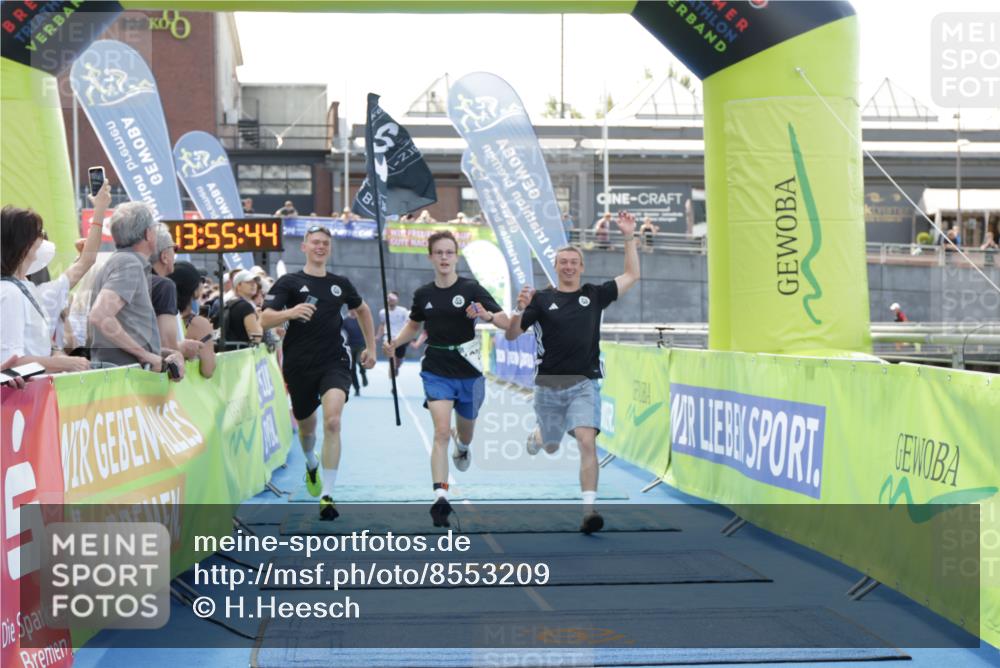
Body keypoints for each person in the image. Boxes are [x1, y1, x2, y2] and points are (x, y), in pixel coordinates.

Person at [506, 210, 641, 534]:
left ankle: (589, 510)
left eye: (573, 262)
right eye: (562, 262)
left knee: (586, 441)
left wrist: (627, 236)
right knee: (552, 444)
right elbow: (512, 334)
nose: (568, 266)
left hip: (584, 383)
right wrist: (519, 309)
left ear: (581, 267)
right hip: (549, 386)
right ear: (555, 266)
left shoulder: (593, 295)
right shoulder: (540, 299)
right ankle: (539, 436)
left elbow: (631, 275)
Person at [383, 231, 510, 527]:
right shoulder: (423, 294)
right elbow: (413, 327)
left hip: (469, 369)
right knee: (441, 431)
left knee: (464, 433)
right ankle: (440, 496)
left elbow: (505, 320)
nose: (443, 257)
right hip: (436, 368)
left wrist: (486, 315)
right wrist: (394, 343)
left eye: (449, 252)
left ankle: (462, 446)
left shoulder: (471, 288)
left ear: (456, 256)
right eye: (438, 252)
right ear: (430, 257)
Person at [261, 225, 377, 520]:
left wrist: (370, 348)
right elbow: (263, 319)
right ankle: (311, 462)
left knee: (334, 421)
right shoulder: (289, 282)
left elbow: (362, 310)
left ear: (329, 248)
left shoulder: (340, 283)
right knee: (307, 429)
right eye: (315, 242)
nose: (320, 247)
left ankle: (327, 495)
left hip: (335, 362)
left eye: (325, 243)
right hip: (299, 365)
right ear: (304, 247)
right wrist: (290, 313)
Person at [1, 180, 111, 373]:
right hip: (23, 398)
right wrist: (63, 362)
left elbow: (87, 260)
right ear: (24, 244)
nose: (44, 239)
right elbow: (10, 362)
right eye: (39, 233)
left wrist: (100, 209)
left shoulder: (27, 287)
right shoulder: (9, 292)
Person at [87, 202, 185, 378]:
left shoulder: (123, 262)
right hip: (125, 378)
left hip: (125, 374)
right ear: (148, 234)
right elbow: (99, 315)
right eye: (154, 228)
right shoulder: (128, 264)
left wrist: (161, 354)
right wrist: (144, 355)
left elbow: (129, 331)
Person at [168, 261, 216, 378]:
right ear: (195, 291)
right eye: (201, 281)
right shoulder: (199, 323)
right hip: (183, 392)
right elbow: (208, 370)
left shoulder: (158, 316)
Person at [377, 292, 411, 379]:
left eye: (393, 299)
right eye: (389, 298)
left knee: (398, 361)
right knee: (392, 359)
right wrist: (378, 336)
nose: (391, 300)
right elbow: (382, 325)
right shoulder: (383, 312)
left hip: (400, 339)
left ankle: (397, 366)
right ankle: (392, 382)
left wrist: (407, 336)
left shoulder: (403, 311)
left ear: (397, 300)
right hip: (388, 338)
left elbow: (408, 324)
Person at [225, 270, 263, 348]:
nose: (253, 285)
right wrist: (260, 318)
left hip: (231, 353)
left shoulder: (229, 303)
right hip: (243, 355)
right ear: (238, 286)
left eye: (255, 282)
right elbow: (256, 338)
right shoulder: (245, 306)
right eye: (248, 282)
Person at [342, 310, 368, 396]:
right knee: (352, 369)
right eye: (351, 309)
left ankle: (363, 373)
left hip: (361, 345)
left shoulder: (361, 319)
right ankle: (357, 388)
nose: (353, 310)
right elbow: (340, 332)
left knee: (360, 361)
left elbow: (367, 330)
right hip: (350, 346)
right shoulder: (345, 321)